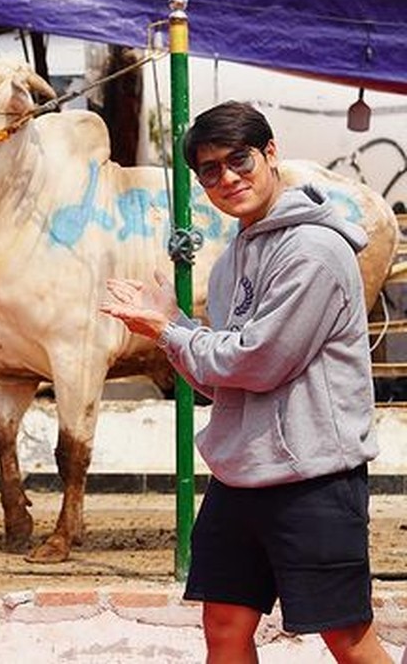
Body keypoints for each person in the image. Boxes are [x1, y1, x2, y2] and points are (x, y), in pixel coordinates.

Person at [100, 101, 392, 663]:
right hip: (240, 476)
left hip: (314, 475)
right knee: (225, 629)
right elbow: (222, 381)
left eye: (240, 160)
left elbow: (259, 362)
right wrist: (176, 329)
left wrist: (168, 331)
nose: (228, 178)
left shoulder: (314, 250)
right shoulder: (235, 254)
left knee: (347, 638)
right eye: (210, 170)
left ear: (271, 154)